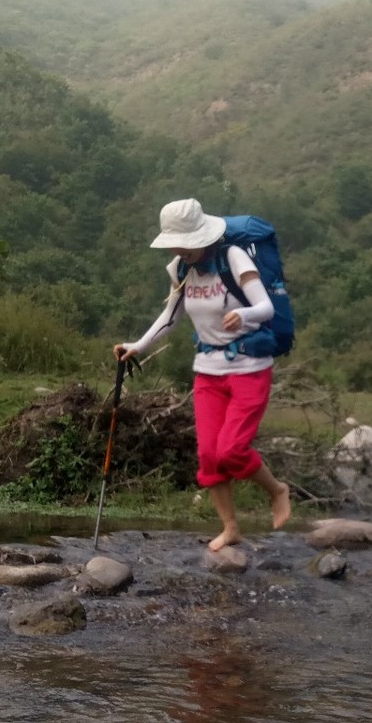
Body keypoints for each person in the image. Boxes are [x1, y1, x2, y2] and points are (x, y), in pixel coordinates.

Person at [114, 198, 292, 551]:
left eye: (185, 241)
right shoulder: (180, 268)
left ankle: (277, 490)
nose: (180, 248)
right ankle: (230, 528)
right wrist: (139, 345)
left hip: (248, 368)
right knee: (210, 456)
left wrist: (244, 317)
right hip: (207, 372)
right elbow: (170, 317)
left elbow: (265, 307)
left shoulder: (233, 258)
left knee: (232, 450)